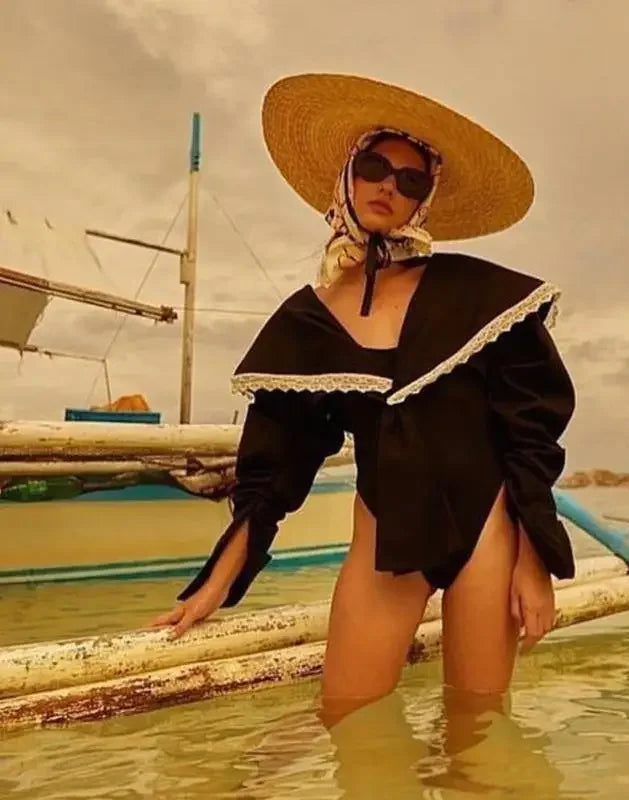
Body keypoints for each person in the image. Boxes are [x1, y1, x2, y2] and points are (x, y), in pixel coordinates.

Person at [149, 73, 576, 727]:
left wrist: (535, 561)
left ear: (422, 204)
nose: (389, 187)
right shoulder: (307, 323)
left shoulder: (478, 297)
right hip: (382, 542)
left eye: (411, 181)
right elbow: (276, 472)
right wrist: (213, 585)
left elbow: (529, 433)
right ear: (348, 174)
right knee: (347, 728)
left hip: (487, 534)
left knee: (478, 741)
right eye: (376, 167)